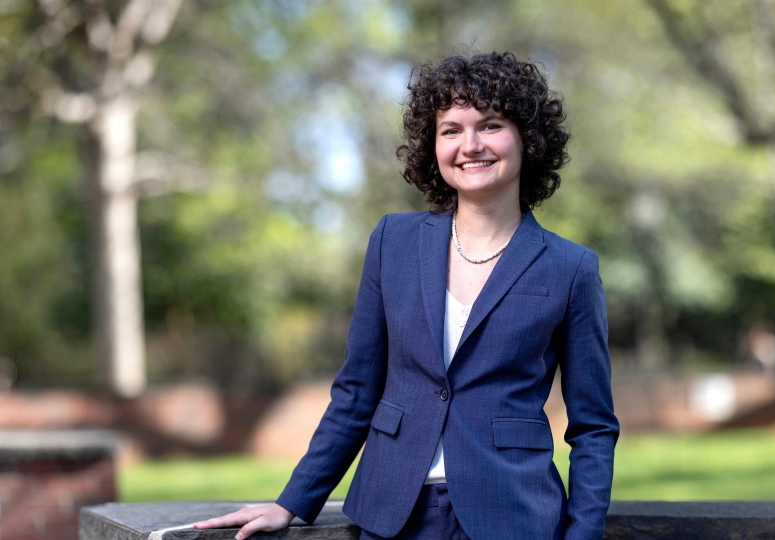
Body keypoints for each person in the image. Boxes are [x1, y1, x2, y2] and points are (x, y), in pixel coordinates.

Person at [194, 51, 619, 540]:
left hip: (513, 515)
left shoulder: (571, 268)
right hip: (392, 512)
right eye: (451, 129)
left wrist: (582, 536)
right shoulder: (392, 243)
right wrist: (293, 501)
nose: (471, 145)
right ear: (433, 146)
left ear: (528, 138)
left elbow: (593, 427)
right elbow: (356, 391)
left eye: (491, 125)